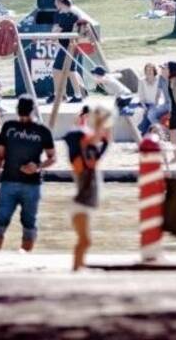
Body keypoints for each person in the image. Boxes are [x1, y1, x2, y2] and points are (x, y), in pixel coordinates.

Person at [0, 96, 56, 252]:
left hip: (31, 185)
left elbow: (52, 157)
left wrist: (38, 166)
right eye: (22, 113)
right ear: (18, 111)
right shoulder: (9, 127)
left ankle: (24, 258)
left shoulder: (42, 131)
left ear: (32, 111)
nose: (24, 117)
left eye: (26, 113)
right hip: (9, 182)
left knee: (29, 224)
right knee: (0, 222)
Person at [65, 105, 112, 271]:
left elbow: (103, 141)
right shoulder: (78, 162)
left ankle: (78, 268)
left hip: (85, 204)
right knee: (85, 241)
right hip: (80, 205)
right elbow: (93, 137)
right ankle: (75, 271)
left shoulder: (90, 160)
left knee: (84, 241)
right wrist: (100, 119)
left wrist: (103, 122)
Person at [49, 0, 85, 104]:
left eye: (56, 2)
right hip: (64, 46)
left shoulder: (72, 15)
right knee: (59, 70)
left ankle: (77, 95)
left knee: (70, 71)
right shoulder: (60, 14)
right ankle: (61, 94)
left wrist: (51, 38)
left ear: (61, 3)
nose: (55, 4)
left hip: (71, 46)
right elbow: (55, 28)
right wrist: (51, 38)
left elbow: (59, 30)